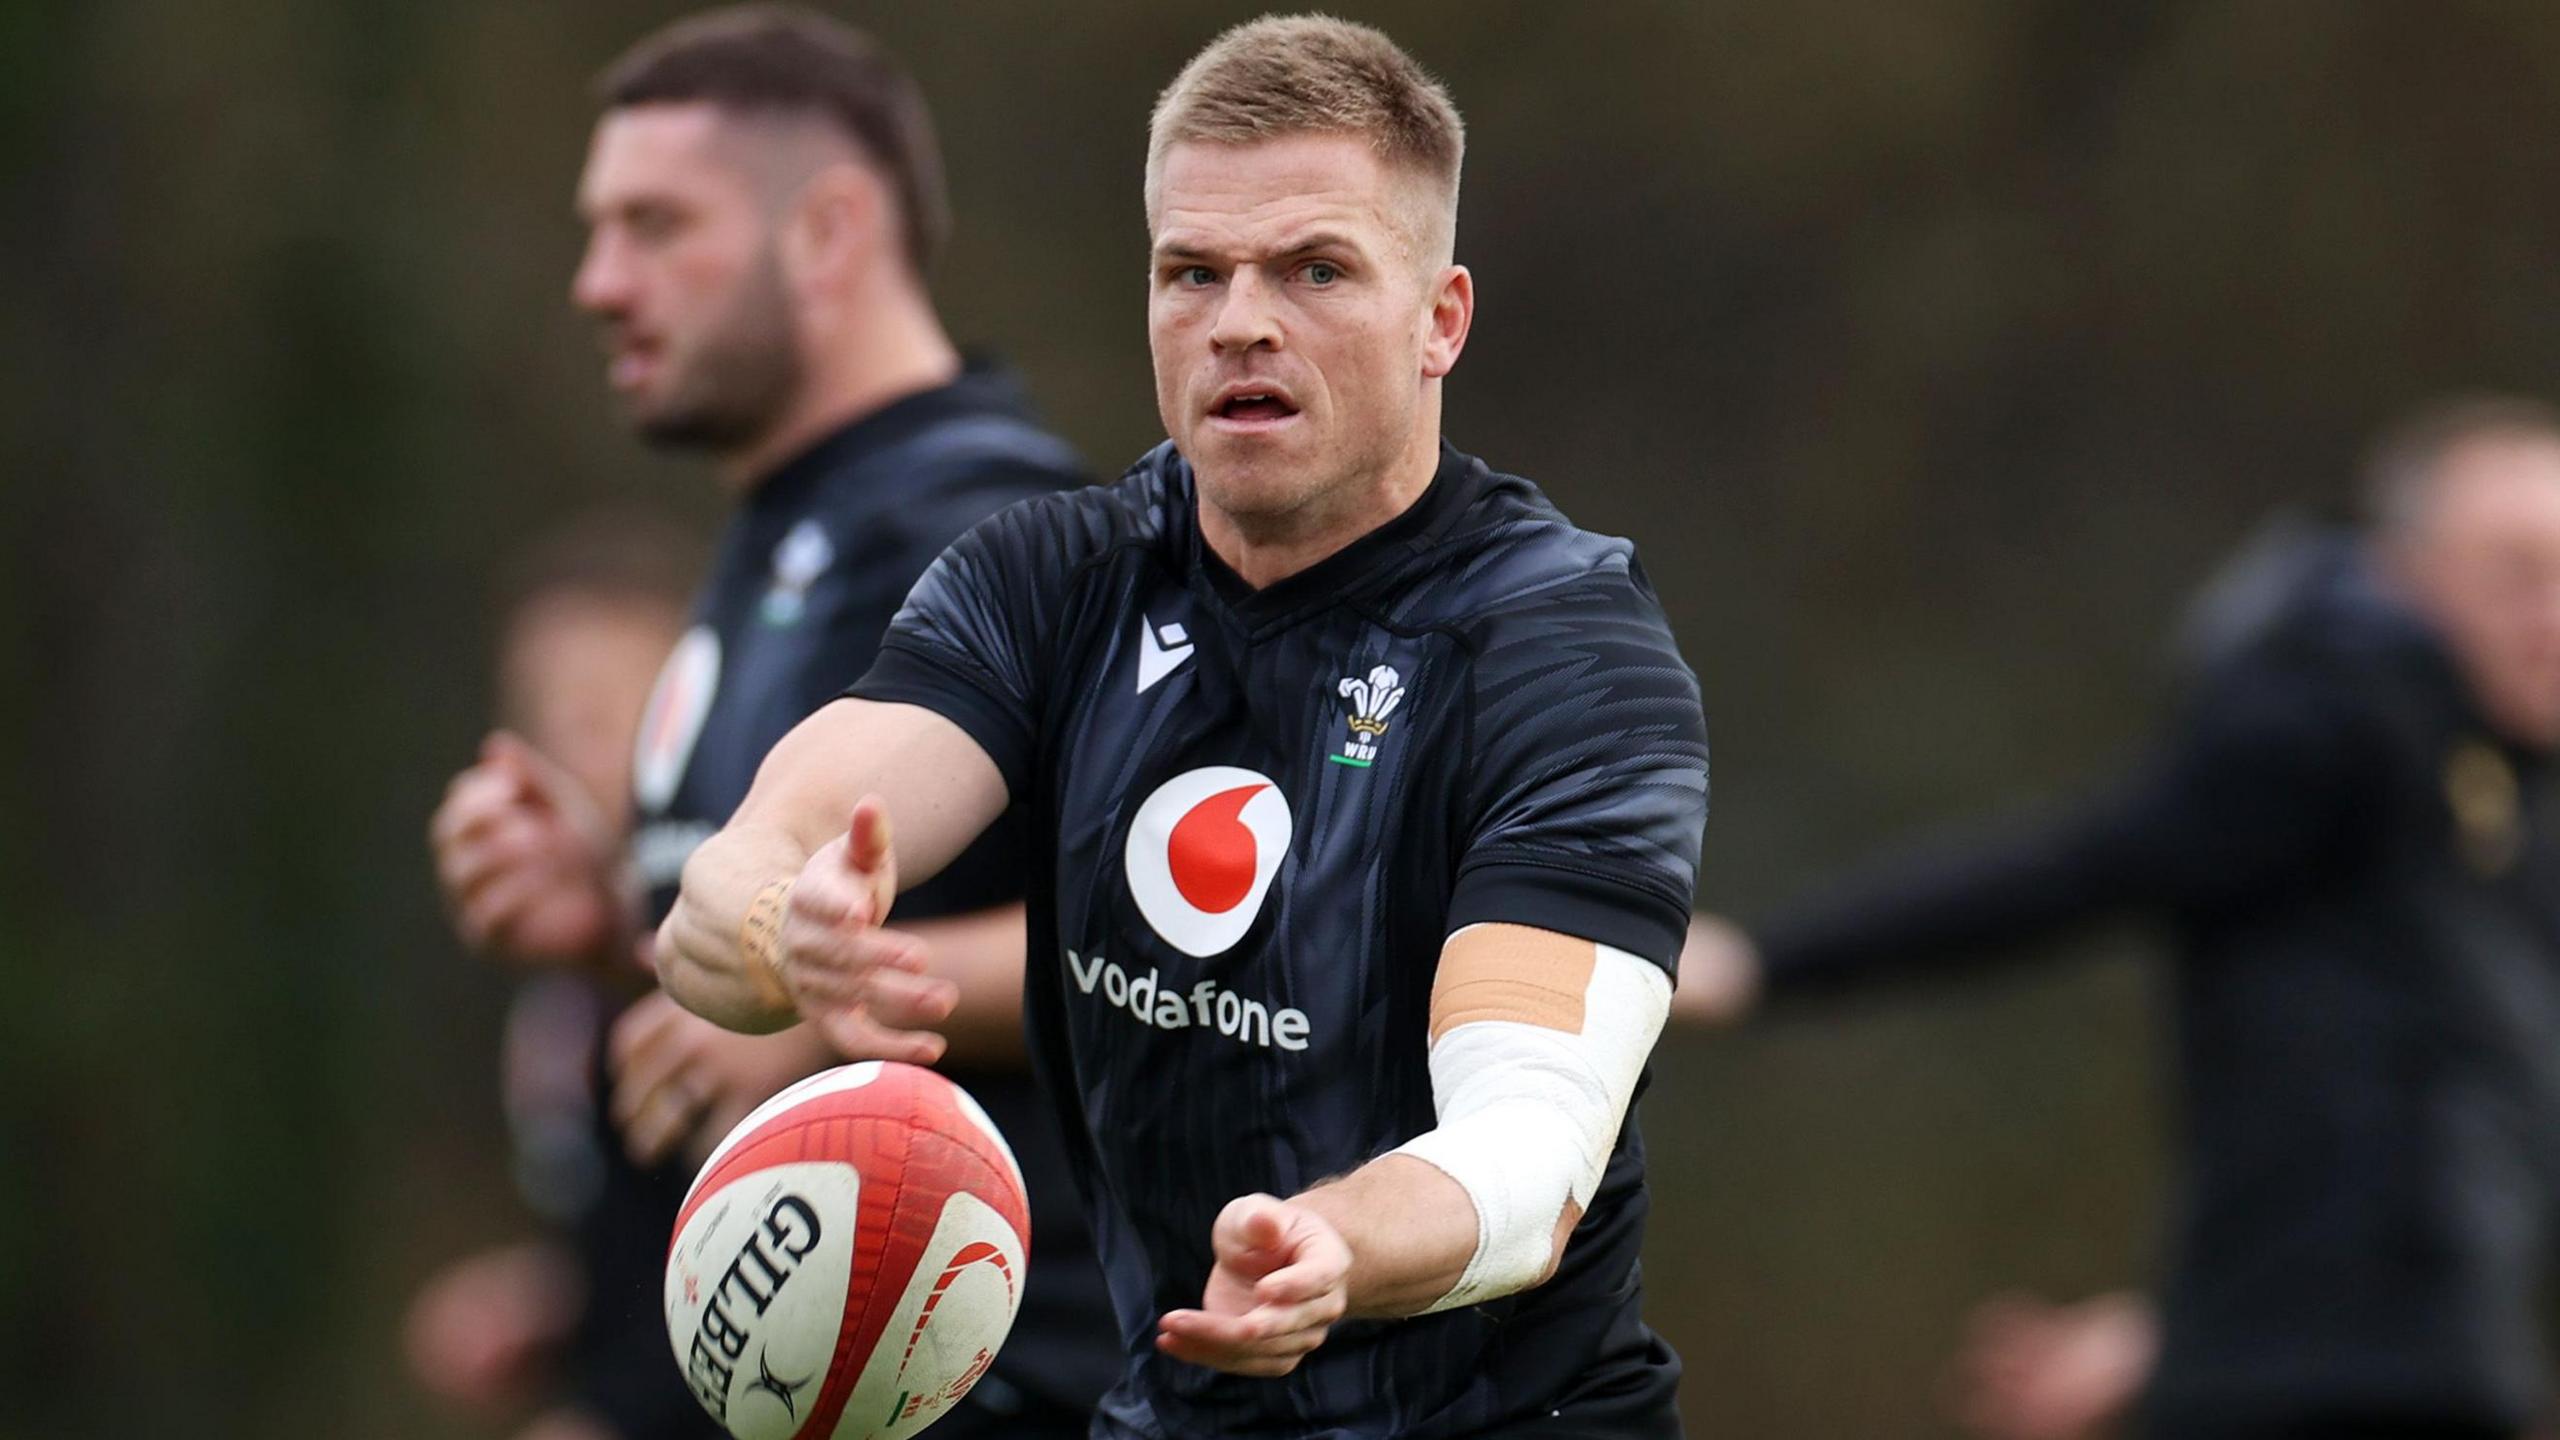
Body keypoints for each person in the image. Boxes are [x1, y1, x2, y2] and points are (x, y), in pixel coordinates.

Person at [651, 16, 1711, 1439]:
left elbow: (1528, 1157)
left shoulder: (1562, 650)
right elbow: (724, 891)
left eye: (1315, 270)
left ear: (1441, 319)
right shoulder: (1051, 579)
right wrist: (791, 925)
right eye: (1191, 272)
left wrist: (1337, 1246)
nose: (1240, 322)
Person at [426, 8, 1116, 1438]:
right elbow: (766, 983)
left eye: (655, 224)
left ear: (828, 232)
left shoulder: (992, 533)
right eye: (596, 230)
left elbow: (1174, 950)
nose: (599, 282)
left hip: (1000, 1388)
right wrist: (618, 928)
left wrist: (800, 1018)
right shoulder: (782, 528)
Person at [1677, 397, 2560, 1440]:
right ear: (2401, 576)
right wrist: (1765, 963)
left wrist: (2173, 1327)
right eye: (2513, 573)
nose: (2550, 613)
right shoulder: (2322, 733)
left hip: (2422, 1367)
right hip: (2330, 1393)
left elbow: (2410, 1121)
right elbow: (2075, 870)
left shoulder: (2499, 799)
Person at [409, 515, 696, 1435]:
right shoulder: (555, 1017)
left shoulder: (753, 978)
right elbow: (642, 1258)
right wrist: (552, 1305)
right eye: (539, 716)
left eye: (603, 714)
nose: (563, 752)